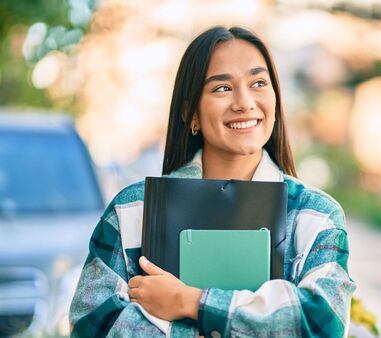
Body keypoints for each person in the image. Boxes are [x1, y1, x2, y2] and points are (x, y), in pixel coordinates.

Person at [69, 26, 356, 338]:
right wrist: (256, 320)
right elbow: (92, 324)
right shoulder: (133, 209)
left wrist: (190, 302)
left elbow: (321, 322)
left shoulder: (315, 215)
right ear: (190, 111)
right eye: (222, 88)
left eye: (259, 83)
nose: (245, 102)